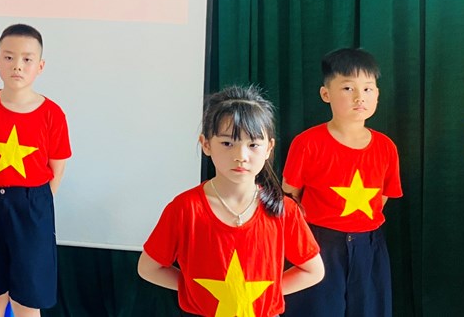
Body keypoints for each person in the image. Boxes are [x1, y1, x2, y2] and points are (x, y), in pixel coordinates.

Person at [138, 85, 324, 317]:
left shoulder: (284, 210)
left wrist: (261, 295)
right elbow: (148, 268)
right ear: (206, 144)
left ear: (269, 148)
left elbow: (313, 271)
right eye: (227, 143)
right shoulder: (185, 209)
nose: (241, 156)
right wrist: (196, 291)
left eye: (253, 145)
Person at [282, 48, 402, 317]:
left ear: (377, 94)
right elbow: (291, 193)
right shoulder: (307, 143)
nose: (360, 97)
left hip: (369, 246)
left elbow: (383, 197)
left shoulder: (386, 147)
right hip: (318, 245)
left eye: (368, 89)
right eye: (348, 88)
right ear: (326, 94)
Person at [0, 24, 71, 317]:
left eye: (27, 59)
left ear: (40, 66)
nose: (17, 66)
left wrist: (33, 202)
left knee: (27, 299)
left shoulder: (52, 114)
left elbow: (57, 169)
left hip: (33, 206)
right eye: (9, 57)